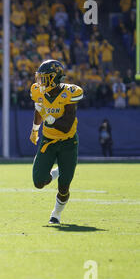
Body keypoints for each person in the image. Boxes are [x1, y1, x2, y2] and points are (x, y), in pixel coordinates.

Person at [29, 59, 83, 224]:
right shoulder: (38, 90)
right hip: (48, 140)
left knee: (64, 186)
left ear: (54, 78)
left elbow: (66, 125)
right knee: (38, 182)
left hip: (68, 142)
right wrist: (35, 129)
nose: (40, 81)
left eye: (44, 78)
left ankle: (56, 215)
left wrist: (49, 118)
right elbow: (39, 109)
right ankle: (55, 172)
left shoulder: (70, 92)